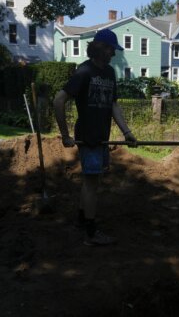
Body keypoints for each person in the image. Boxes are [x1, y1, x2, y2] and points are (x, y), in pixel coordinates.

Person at [53, 29, 137, 246]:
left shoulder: (109, 72)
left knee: (92, 182)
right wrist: (65, 135)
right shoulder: (84, 71)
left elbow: (113, 105)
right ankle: (91, 234)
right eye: (112, 49)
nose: (114, 54)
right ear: (102, 48)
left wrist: (127, 133)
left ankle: (82, 220)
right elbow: (59, 100)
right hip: (88, 138)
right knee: (91, 184)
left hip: (102, 138)